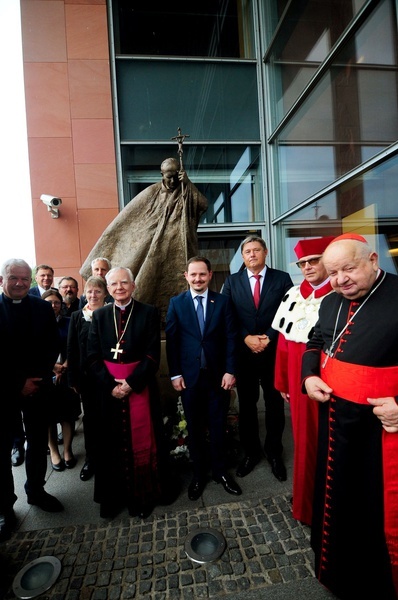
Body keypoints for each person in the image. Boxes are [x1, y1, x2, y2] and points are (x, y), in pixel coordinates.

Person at [302, 233, 398, 599]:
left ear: (373, 260)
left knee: (371, 510)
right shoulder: (330, 303)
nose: (340, 279)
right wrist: (310, 376)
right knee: (335, 499)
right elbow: (315, 341)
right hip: (334, 424)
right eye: (332, 272)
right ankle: (334, 569)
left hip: (379, 434)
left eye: (348, 268)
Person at [79, 158, 208, 325]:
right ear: (162, 175)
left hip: (180, 248)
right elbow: (130, 221)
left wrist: (189, 185)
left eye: (176, 176)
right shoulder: (152, 192)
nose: (172, 180)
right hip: (156, 250)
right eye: (168, 176)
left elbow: (203, 205)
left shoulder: (186, 189)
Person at [86, 267, 171, 519]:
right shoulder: (100, 316)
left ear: (134, 286)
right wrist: (112, 386)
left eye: (125, 283)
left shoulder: (148, 312)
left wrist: (131, 384)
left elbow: (152, 355)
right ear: (108, 288)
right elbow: (91, 357)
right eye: (114, 284)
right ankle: (112, 498)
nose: (119, 287)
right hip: (108, 391)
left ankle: (142, 497)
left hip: (140, 387)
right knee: (109, 443)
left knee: (141, 442)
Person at [165, 256, 242, 500]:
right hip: (189, 379)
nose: (198, 278)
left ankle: (220, 472)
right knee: (194, 428)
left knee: (219, 426)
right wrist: (175, 373)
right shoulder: (176, 303)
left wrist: (231, 370)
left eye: (202, 274)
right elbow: (173, 342)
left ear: (210, 275)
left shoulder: (223, 302)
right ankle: (199, 475)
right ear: (186, 276)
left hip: (218, 377)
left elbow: (231, 337)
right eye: (193, 274)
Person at [271, 236, 335, 526]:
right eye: (303, 263)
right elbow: (283, 344)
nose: (307, 267)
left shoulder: (341, 294)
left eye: (313, 261)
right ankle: (308, 504)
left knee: (332, 443)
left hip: (334, 380)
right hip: (299, 384)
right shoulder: (293, 294)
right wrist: (283, 382)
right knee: (305, 443)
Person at [0, 259, 63, 543]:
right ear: (2, 280)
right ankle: (5, 507)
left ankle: (36, 491)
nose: (20, 283)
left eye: (26, 279)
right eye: (14, 278)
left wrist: (34, 379)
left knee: (38, 443)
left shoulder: (41, 308)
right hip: (4, 392)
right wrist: (17, 383)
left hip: (37, 388)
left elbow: (52, 345)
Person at [222, 235, 293, 481]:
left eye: (256, 250)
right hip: (244, 355)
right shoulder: (232, 282)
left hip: (273, 353)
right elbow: (228, 315)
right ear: (242, 257)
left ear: (266, 252)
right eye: (247, 252)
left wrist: (269, 337)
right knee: (247, 405)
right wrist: (246, 338)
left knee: (274, 405)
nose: (252, 254)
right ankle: (251, 453)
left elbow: (288, 310)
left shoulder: (282, 278)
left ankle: (274, 453)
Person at [68, 276, 108, 481]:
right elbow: (72, 349)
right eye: (90, 291)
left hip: (109, 378)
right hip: (87, 380)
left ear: (105, 294)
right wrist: (73, 378)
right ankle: (91, 460)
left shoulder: (111, 314)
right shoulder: (76, 316)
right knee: (90, 421)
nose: (93, 295)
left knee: (110, 419)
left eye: (98, 291)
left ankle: (111, 458)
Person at [42, 289, 80, 472]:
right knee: (48, 417)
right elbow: (33, 351)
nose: (53, 306)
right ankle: (54, 451)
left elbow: (76, 346)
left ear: (61, 305)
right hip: (46, 376)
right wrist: (52, 366)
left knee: (67, 415)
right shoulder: (36, 324)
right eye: (49, 302)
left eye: (57, 302)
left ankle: (67, 450)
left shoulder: (69, 322)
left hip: (67, 374)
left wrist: (65, 365)